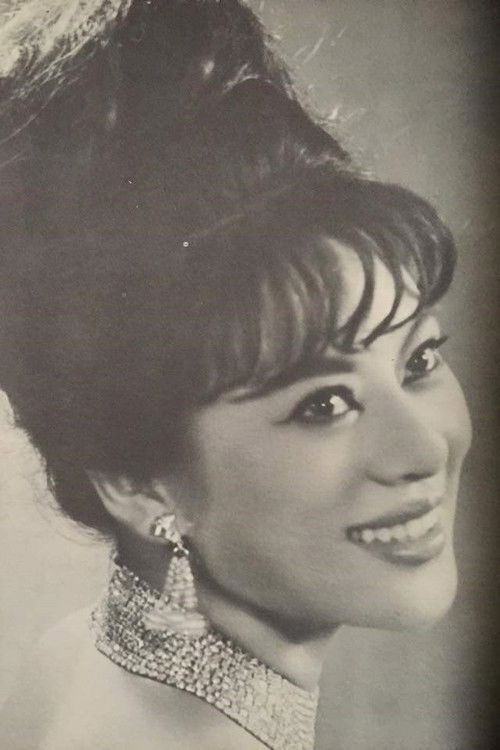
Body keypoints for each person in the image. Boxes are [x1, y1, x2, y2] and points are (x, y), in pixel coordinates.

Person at [0, 1, 471, 748]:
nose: (424, 449)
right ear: (139, 483)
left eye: (418, 361)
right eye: (325, 404)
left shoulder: (74, 656)